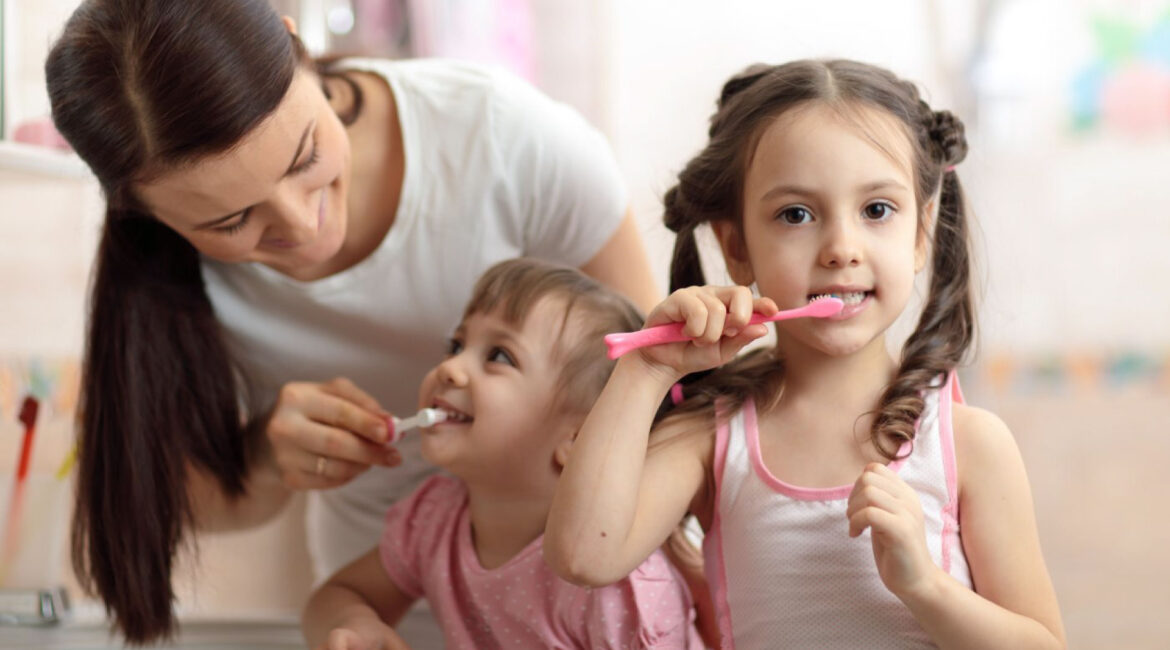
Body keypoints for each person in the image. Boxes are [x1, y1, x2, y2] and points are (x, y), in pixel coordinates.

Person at [45, 0, 659, 643]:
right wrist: (264, 457)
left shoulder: (507, 139)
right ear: (145, 212)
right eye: (232, 222)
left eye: (304, 156)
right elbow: (192, 498)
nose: (304, 228)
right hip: (384, 592)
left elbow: (660, 396)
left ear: (296, 49)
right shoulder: (162, 275)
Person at [545, 59, 1067, 648]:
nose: (842, 248)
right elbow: (583, 556)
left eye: (876, 210)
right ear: (736, 246)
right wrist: (646, 370)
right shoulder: (712, 437)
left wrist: (925, 586)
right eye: (796, 215)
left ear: (921, 233)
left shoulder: (970, 444)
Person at [301, 258, 703, 650]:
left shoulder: (617, 587)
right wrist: (353, 624)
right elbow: (338, 595)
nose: (451, 367)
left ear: (582, 437)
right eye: (455, 345)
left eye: (499, 356)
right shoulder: (433, 519)